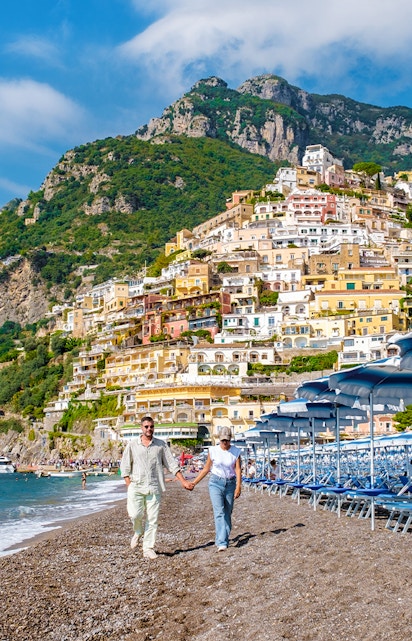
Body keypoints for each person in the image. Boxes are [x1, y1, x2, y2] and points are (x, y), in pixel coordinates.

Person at [120, 416, 193, 560]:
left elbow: (172, 464)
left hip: (154, 486)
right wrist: (129, 485)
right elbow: (125, 466)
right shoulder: (132, 445)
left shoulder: (161, 445)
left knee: (152, 519)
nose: (149, 429)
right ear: (141, 428)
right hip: (136, 485)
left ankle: (148, 548)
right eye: (146, 426)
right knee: (135, 515)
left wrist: (183, 481)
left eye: (151, 426)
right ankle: (138, 531)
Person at [191, 426, 241, 552]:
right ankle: (221, 542)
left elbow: (238, 469)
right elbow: (206, 468)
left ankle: (224, 536)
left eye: (227, 440)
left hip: (230, 483)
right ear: (219, 439)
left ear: (230, 439)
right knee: (219, 512)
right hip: (215, 483)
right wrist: (194, 482)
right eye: (223, 440)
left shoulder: (236, 451)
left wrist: (239, 486)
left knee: (228, 513)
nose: (225, 443)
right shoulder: (213, 450)